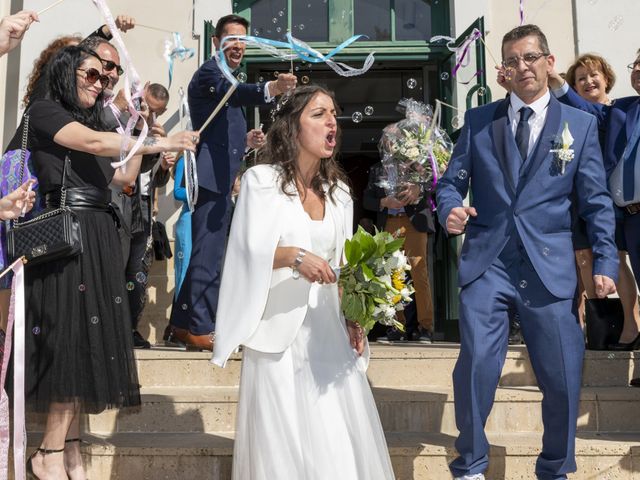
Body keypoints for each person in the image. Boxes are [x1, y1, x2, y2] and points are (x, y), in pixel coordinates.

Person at [437, 25, 618, 480]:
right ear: (504, 69)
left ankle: (554, 468)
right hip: (488, 262)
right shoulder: (480, 121)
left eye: (531, 57)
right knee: (476, 363)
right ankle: (471, 465)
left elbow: (595, 200)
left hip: (549, 266)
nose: (523, 67)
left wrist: (605, 262)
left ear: (549, 62)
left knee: (561, 375)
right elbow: (451, 182)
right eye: (513, 60)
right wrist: (450, 210)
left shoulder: (579, 125)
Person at [22, 45, 197, 480]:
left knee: (88, 343)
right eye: (92, 74)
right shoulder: (44, 111)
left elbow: (123, 177)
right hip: (66, 234)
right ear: (66, 73)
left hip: (98, 230)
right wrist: (160, 139)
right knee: (68, 342)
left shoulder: (95, 120)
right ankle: (46, 454)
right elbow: (96, 144)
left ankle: (69, 452)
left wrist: (138, 128)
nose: (100, 83)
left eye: (105, 78)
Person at [213, 85, 394, 480]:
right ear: (292, 128)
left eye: (334, 113)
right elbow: (244, 253)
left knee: (336, 443)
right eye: (319, 113)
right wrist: (295, 257)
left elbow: (343, 265)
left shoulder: (341, 192)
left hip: (327, 331)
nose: (332, 121)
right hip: (276, 334)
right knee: (281, 449)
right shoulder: (261, 181)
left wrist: (354, 318)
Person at [168, 14, 297, 351]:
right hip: (210, 178)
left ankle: (182, 322)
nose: (238, 46)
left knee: (207, 250)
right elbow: (238, 94)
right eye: (231, 40)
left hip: (222, 175)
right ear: (216, 43)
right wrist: (273, 88)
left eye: (243, 40)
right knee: (208, 254)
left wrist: (247, 141)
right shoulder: (211, 74)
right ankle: (200, 328)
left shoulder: (226, 76)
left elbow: (225, 124)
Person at [560, 54, 640, 348]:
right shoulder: (572, 115)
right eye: (580, 79)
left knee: (613, 263)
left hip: (616, 205)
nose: (588, 81)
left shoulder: (620, 110)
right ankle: (606, 328)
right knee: (592, 262)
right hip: (591, 202)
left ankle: (631, 326)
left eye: (593, 75)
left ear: (607, 77)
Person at [363, 161, 435, 343]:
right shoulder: (377, 169)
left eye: (396, 140)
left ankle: (426, 328)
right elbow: (366, 200)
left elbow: (435, 184)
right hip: (390, 221)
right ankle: (397, 327)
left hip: (414, 223)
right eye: (389, 141)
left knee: (419, 273)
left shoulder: (418, 164)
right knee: (392, 275)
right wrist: (383, 202)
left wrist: (419, 188)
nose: (392, 144)